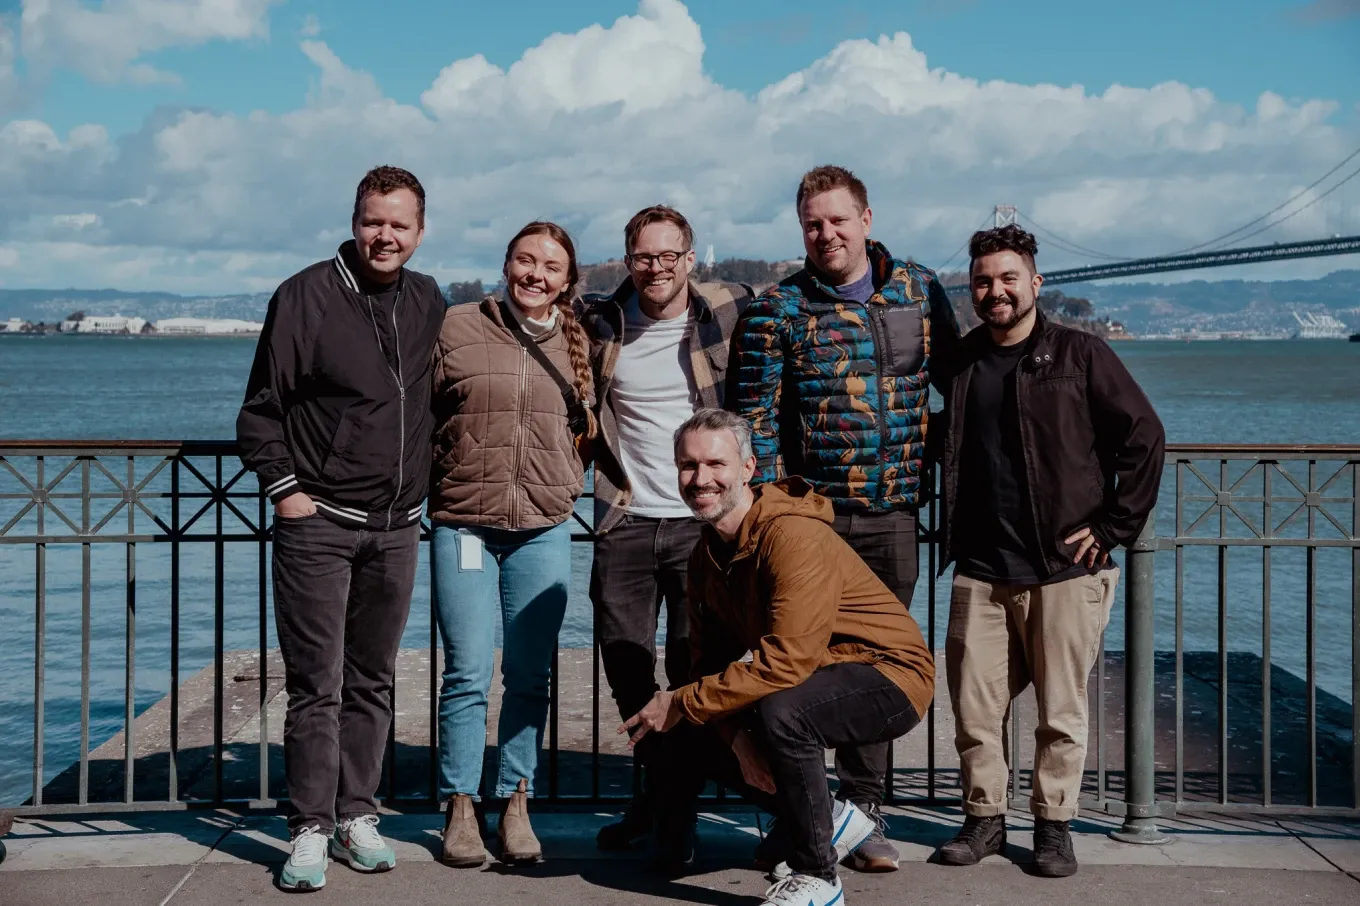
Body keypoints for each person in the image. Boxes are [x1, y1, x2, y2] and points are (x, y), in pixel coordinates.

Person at [728, 164, 961, 871]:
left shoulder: (920, 292)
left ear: (866, 218)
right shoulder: (777, 310)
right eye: (812, 223)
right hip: (813, 524)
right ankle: (804, 815)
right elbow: (755, 423)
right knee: (798, 663)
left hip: (892, 514)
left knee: (877, 668)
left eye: (837, 219)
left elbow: (960, 386)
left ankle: (867, 811)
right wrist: (773, 516)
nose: (825, 233)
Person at [624, 409, 935, 906]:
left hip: (889, 675)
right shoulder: (706, 555)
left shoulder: (791, 535)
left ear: (748, 468)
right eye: (687, 465)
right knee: (685, 726)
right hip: (813, 677)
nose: (700, 479)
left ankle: (819, 876)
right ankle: (829, 819)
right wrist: (735, 739)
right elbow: (705, 667)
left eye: (715, 464)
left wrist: (685, 701)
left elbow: (787, 661)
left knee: (779, 712)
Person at [236, 166, 445, 892]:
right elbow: (261, 409)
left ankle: (358, 813)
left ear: (421, 232)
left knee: (373, 680)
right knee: (315, 684)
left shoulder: (426, 299)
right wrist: (288, 492)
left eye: (399, 224)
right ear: (354, 221)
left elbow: (435, 404)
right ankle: (309, 829)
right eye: (372, 221)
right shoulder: (305, 295)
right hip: (319, 523)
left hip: (397, 529)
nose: (384, 236)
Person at [934, 225, 1164, 877]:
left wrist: (1115, 526)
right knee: (975, 710)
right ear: (972, 288)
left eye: (1009, 278)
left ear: (1036, 283)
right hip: (980, 568)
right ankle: (983, 821)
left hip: (1066, 570)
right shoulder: (961, 361)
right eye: (983, 280)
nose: (995, 290)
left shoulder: (1081, 354)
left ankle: (1053, 827)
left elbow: (1144, 435)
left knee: (1061, 715)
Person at [580, 205, 752, 850]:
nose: (657, 268)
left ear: (690, 258)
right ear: (629, 261)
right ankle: (653, 797)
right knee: (626, 668)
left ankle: (673, 818)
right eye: (644, 257)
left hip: (698, 523)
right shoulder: (600, 322)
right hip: (624, 516)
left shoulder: (727, 311)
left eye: (669, 256)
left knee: (690, 670)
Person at [430, 221, 595, 869]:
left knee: (530, 672)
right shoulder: (458, 326)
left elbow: (601, 429)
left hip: (545, 527)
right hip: (464, 524)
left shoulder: (583, 340)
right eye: (525, 260)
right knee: (467, 670)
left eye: (551, 266)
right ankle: (461, 804)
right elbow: (418, 412)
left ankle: (516, 798)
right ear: (506, 264)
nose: (536, 274)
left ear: (567, 279)